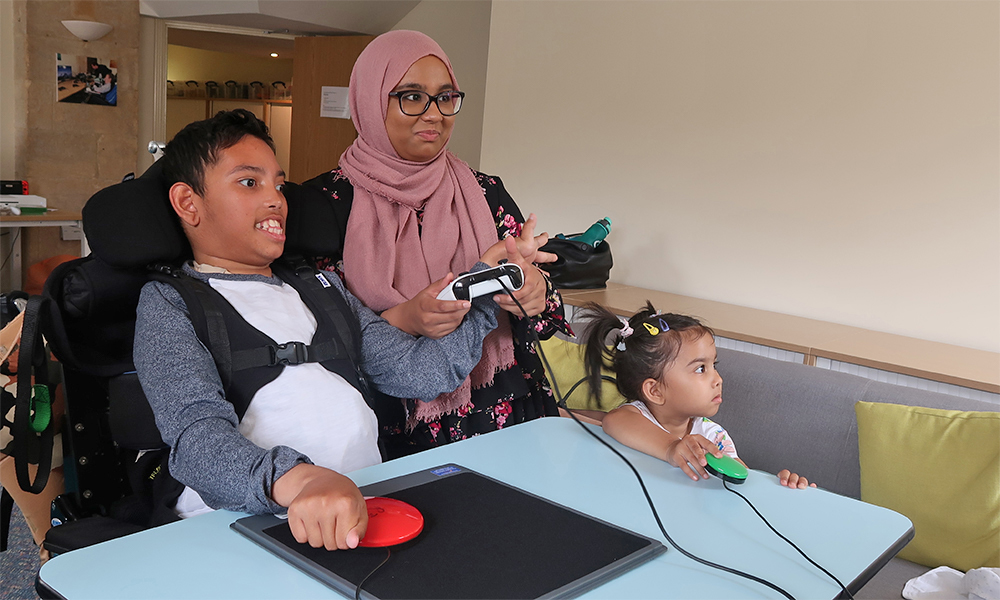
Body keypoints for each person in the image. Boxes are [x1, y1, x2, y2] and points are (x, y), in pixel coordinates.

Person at [134, 109, 530, 551]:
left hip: (360, 507)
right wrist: (300, 480)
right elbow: (196, 440)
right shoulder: (171, 302)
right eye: (250, 182)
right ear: (189, 203)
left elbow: (420, 374)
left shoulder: (322, 287)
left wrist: (483, 290)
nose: (275, 200)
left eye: (278, 184)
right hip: (239, 525)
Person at [305, 30, 573, 457]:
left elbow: (545, 315)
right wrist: (405, 318)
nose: (434, 114)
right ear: (372, 100)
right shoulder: (324, 205)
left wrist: (536, 291)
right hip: (392, 420)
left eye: (445, 97)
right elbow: (316, 333)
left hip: (504, 407)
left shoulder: (485, 194)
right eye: (411, 96)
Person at [580, 301, 815, 489]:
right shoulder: (635, 417)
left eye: (714, 365)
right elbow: (614, 421)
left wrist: (781, 486)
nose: (718, 379)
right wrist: (673, 448)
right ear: (655, 390)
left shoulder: (714, 438)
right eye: (701, 368)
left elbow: (739, 480)